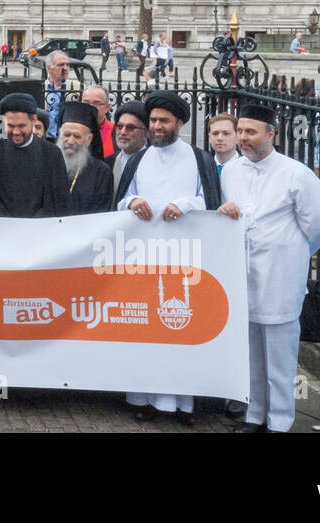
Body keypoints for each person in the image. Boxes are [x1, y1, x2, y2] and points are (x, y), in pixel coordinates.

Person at [218, 105, 320, 433]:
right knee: (250, 354)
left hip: (280, 278)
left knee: (280, 360)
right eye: (240, 132)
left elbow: (318, 227)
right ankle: (254, 416)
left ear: (271, 134)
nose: (243, 139)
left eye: (251, 132)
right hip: (243, 275)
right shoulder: (232, 171)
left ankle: (279, 422)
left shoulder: (297, 174)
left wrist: (291, 254)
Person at [115, 91, 221, 425]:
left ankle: (180, 405)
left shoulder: (199, 159)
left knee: (179, 328)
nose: (157, 127)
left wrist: (185, 205)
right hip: (143, 258)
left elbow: (211, 203)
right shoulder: (139, 158)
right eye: (154, 121)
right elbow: (121, 199)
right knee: (145, 329)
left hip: (184, 259)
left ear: (179, 123)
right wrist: (132, 203)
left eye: (164, 121)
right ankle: (142, 399)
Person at [0, 92, 70, 218]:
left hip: (41, 229)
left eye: (21, 126)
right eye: (10, 126)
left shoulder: (51, 153)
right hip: (2, 228)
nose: (16, 132)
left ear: (33, 120)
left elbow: (58, 199)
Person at [57, 101, 113, 214]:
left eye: (77, 136)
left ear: (89, 139)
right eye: (66, 135)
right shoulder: (47, 164)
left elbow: (101, 211)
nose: (70, 141)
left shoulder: (101, 172)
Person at [108, 100, 149, 195]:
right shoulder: (109, 163)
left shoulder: (155, 161)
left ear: (146, 133)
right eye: (119, 126)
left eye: (130, 128)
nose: (123, 132)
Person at [42, 51, 72, 139]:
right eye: (61, 65)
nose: (65, 68)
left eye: (68, 65)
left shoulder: (76, 87)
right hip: (45, 139)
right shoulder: (42, 88)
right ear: (48, 68)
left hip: (66, 140)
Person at [82, 85, 115, 158]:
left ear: (107, 107)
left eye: (96, 103)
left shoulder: (115, 131)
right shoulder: (73, 130)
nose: (90, 107)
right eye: (86, 103)